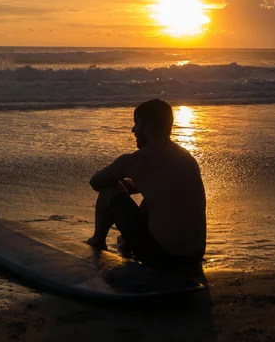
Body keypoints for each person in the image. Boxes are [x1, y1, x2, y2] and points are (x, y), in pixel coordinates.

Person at [86, 99, 206, 270]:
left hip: (161, 258)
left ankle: (98, 241)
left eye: (137, 124)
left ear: (148, 126)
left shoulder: (133, 161)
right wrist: (136, 185)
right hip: (193, 257)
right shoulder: (187, 158)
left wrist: (121, 180)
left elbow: (96, 182)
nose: (133, 130)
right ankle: (127, 243)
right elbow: (166, 189)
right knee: (151, 201)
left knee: (110, 188)